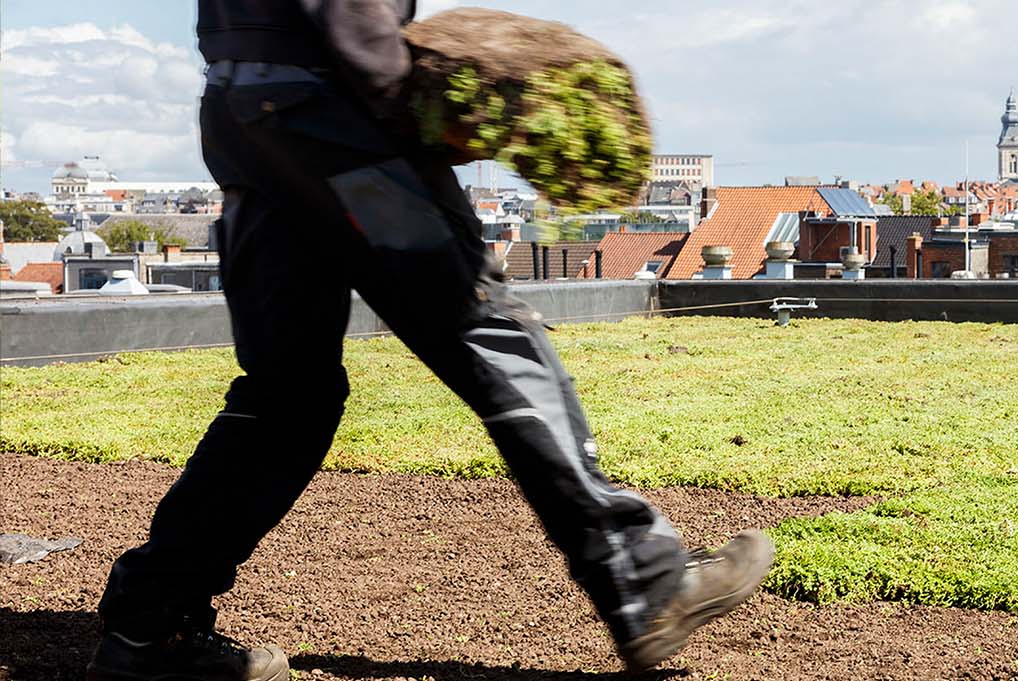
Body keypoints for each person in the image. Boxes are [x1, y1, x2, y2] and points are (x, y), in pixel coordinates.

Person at [87, 2, 773, 679]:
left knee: (288, 396)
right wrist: (408, 99)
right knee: (487, 328)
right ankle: (641, 575)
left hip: (247, 117)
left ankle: (150, 626)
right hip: (337, 117)